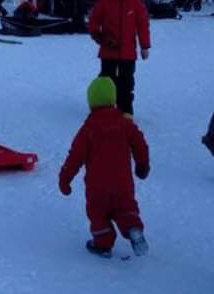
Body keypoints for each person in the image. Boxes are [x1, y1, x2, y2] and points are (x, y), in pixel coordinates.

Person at [57, 76, 151, 257]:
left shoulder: (88, 129)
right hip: (122, 183)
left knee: (98, 214)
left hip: (97, 187)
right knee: (126, 208)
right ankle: (133, 228)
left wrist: (65, 179)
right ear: (113, 100)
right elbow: (140, 145)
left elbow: (74, 157)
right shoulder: (125, 124)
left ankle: (103, 243)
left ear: (91, 103)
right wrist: (142, 165)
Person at [86, 0, 150, 116]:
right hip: (108, 51)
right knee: (107, 82)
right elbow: (93, 21)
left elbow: (143, 26)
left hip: (128, 53)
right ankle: (104, 110)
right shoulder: (105, 2)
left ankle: (125, 111)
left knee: (126, 83)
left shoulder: (136, 4)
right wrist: (100, 37)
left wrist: (145, 46)